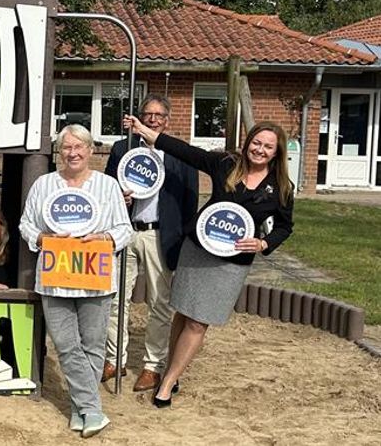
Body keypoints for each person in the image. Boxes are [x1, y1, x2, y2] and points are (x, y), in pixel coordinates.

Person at [122, 116, 294, 408]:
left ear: (276, 152)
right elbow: (186, 152)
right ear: (248, 142)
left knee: (198, 321)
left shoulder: (281, 187)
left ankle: (167, 382)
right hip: (197, 250)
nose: (260, 150)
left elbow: (284, 226)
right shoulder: (226, 164)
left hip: (232, 263)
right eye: (256, 143)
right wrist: (144, 131)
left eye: (268, 147)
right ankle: (172, 371)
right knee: (183, 312)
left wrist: (263, 243)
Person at [18, 124, 132, 439]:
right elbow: (26, 224)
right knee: (66, 345)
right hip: (55, 276)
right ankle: (92, 409)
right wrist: (42, 238)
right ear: (60, 152)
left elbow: (125, 230)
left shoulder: (108, 186)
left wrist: (104, 237)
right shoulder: (44, 184)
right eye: (67, 147)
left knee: (93, 345)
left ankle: (81, 410)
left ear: (90, 150)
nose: (73, 153)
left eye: (79, 147)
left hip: (96, 275)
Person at [101, 94, 199, 392]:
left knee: (159, 303)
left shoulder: (180, 154)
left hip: (160, 235)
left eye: (159, 115)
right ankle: (114, 358)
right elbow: (106, 189)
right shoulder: (123, 149)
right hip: (125, 231)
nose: (153, 119)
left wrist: (182, 241)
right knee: (115, 298)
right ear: (139, 117)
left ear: (167, 120)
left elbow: (190, 201)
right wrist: (118, 197)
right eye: (148, 114)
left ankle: (152, 366)